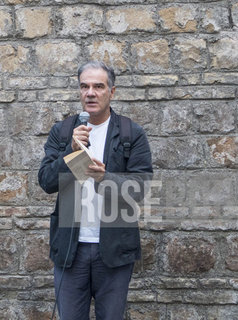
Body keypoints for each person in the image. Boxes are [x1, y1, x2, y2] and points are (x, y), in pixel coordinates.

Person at [38, 61, 153, 320]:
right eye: (84, 86)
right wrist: (72, 152)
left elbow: (141, 187)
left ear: (111, 92)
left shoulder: (130, 133)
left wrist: (105, 179)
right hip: (70, 249)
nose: (90, 92)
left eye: (98, 86)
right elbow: (46, 182)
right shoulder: (64, 132)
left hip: (113, 250)